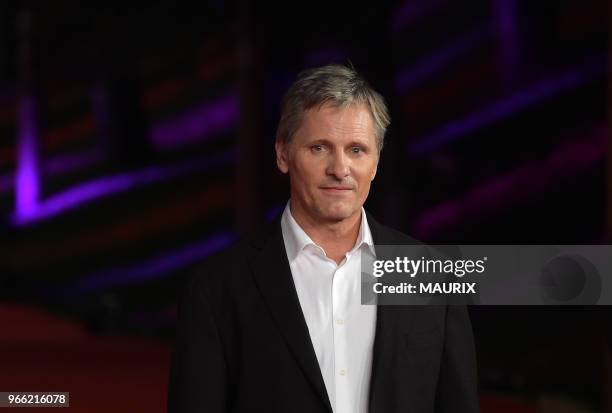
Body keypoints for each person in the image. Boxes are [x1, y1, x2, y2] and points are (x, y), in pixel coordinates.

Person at [168, 64, 479, 413]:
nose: (340, 169)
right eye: (319, 148)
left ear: (375, 162)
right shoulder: (216, 289)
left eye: (357, 150)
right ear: (283, 153)